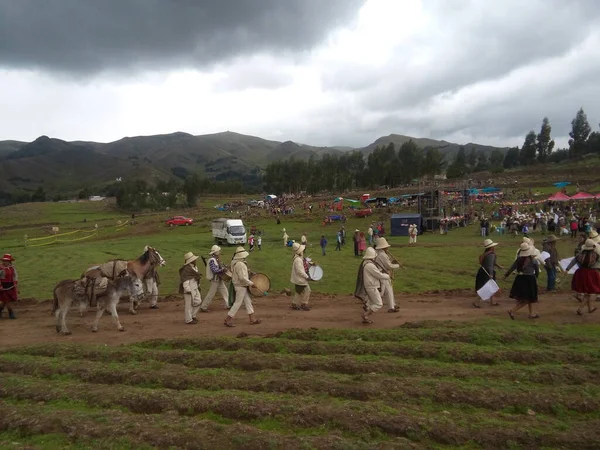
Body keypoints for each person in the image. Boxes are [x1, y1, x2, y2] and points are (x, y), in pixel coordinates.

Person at [225, 246, 261, 327]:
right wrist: (251, 283)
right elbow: (242, 278)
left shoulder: (236, 263)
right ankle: (228, 319)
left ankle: (252, 318)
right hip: (240, 286)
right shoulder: (240, 264)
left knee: (248, 302)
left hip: (240, 285)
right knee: (238, 303)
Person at [354, 247, 390, 324]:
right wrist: (387, 276)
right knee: (378, 304)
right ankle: (365, 314)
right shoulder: (370, 265)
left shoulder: (365, 263)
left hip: (369, 286)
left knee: (372, 303)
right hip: (372, 287)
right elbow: (378, 275)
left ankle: (367, 311)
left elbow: (375, 272)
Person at [505, 243, 540, 320]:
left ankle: (531, 314)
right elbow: (537, 271)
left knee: (528, 298)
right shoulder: (533, 260)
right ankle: (512, 310)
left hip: (520, 279)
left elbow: (512, 268)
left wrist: (506, 275)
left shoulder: (518, 260)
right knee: (527, 299)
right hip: (530, 279)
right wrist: (536, 279)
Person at [567, 239, 600, 315]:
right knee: (589, 293)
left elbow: (574, 261)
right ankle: (580, 308)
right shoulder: (596, 255)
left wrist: (567, 269)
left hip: (581, 273)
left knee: (587, 291)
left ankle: (590, 308)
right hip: (591, 273)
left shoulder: (580, 254)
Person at [374, 238, 401, 313]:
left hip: (383, 274)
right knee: (381, 292)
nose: (388, 247)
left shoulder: (380, 253)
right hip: (383, 275)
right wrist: (398, 265)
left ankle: (392, 306)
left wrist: (392, 262)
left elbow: (386, 263)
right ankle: (368, 304)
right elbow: (389, 266)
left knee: (388, 290)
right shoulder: (382, 255)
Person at [474, 239, 503, 308]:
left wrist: (498, 266)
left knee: (490, 286)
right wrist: (491, 274)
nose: (494, 247)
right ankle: (476, 302)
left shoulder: (486, 254)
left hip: (483, 271)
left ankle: (492, 301)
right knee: (486, 288)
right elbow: (490, 266)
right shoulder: (491, 255)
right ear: (491, 247)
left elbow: (491, 263)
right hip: (487, 272)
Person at [200, 245, 229, 312]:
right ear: (215, 252)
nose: (219, 252)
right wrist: (223, 270)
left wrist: (225, 267)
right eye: (218, 251)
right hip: (215, 279)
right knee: (211, 293)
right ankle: (204, 306)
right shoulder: (212, 260)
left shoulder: (216, 259)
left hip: (219, 279)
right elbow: (215, 270)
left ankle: (228, 304)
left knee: (225, 292)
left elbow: (220, 266)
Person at [178, 252, 202, 324]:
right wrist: (187, 289)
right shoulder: (186, 269)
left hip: (195, 287)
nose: (195, 260)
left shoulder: (194, 267)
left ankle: (192, 315)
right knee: (188, 305)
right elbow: (185, 280)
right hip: (189, 289)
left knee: (198, 301)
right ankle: (188, 319)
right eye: (194, 259)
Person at [290, 242, 312, 311]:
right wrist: (307, 277)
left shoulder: (298, 258)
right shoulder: (298, 260)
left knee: (299, 292)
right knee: (307, 290)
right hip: (300, 279)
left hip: (299, 279)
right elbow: (300, 271)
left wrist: (310, 263)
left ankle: (294, 304)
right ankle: (303, 304)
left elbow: (304, 264)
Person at [0, 254, 18, 319]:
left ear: (10, 261)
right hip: (3, 286)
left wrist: (15, 283)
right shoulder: (0, 268)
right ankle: (11, 312)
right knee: (7, 300)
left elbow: (15, 275)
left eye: (7, 261)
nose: (6, 262)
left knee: (5, 301)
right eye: (4, 261)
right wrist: (0, 286)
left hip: (11, 285)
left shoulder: (12, 267)